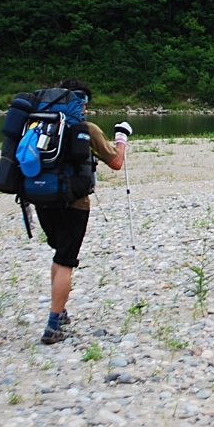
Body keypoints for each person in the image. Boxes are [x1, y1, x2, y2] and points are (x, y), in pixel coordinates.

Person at [38, 80, 131, 344]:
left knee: (59, 255)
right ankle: (53, 324)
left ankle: (61, 310)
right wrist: (121, 139)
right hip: (74, 203)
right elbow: (115, 162)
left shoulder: (39, 125)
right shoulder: (85, 129)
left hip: (41, 197)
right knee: (66, 259)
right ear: (83, 103)